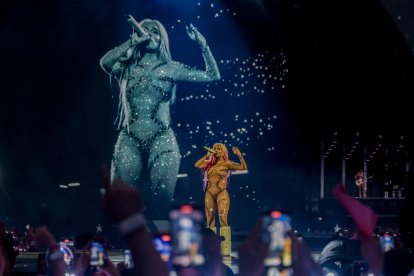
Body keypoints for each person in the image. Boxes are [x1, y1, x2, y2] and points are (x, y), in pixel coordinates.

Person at [100, 15, 221, 218]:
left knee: (162, 200)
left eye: (155, 31)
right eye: (145, 30)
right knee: (118, 196)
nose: (149, 34)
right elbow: (105, 63)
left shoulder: (170, 67)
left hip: (162, 138)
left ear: (162, 38)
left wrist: (204, 46)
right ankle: (125, 241)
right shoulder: (126, 67)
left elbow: (212, 75)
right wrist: (132, 42)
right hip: (130, 137)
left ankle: (160, 242)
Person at [194, 143, 247, 256]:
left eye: (219, 149)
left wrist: (239, 155)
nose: (216, 150)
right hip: (209, 193)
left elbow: (243, 167)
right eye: (215, 149)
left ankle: (225, 250)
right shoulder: (209, 163)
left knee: (223, 218)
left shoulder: (227, 163)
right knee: (210, 220)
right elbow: (197, 165)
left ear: (223, 151)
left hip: (221, 193)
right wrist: (207, 156)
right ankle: (211, 250)